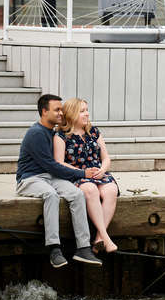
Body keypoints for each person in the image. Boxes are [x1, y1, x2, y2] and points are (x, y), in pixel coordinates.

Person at [15, 94, 103, 268]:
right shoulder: (36, 133)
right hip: (30, 178)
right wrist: (82, 173)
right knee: (51, 195)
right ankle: (54, 248)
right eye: (57, 110)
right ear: (44, 112)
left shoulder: (54, 133)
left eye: (61, 110)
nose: (61, 113)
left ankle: (83, 248)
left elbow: (54, 169)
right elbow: (52, 165)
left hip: (50, 177)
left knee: (77, 194)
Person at [53, 98, 119, 255]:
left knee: (111, 190)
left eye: (87, 110)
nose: (87, 114)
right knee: (90, 190)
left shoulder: (94, 131)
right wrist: (82, 173)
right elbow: (59, 163)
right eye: (82, 111)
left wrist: (103, 169)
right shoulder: (61, 136)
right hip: (77, 175)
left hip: (98, 173)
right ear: (72, 114)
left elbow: (106, 157)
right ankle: (106, 237)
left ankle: (98, 238)